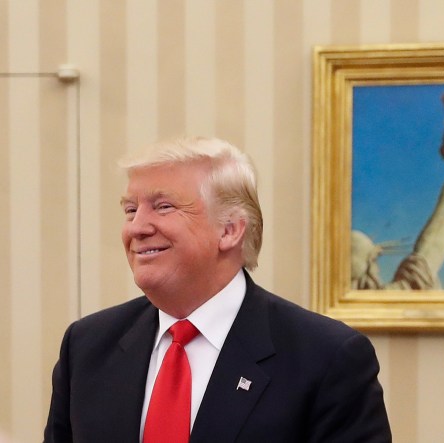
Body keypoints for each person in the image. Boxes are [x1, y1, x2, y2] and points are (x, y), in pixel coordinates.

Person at [44, 137, 392, 442]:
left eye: (163, 207)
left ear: (229, 230)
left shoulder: (327, 357)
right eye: (131, 210)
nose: (137, 227)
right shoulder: (87, 345)